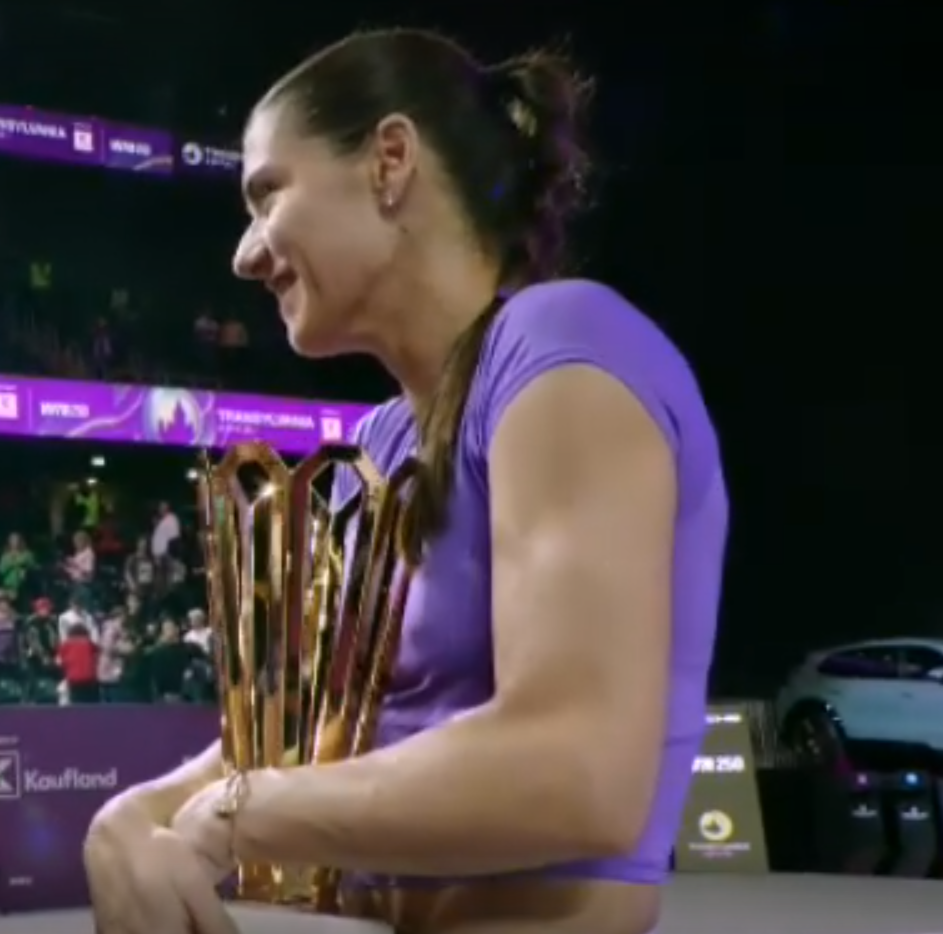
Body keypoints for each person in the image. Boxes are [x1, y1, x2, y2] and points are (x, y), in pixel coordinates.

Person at [85, 29, 722, 934]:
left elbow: (578, 770)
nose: (244, 255)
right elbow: (308, 742)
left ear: (389, 161)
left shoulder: (562, 343)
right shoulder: (375, 445)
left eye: (267, 196)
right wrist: (131, 818)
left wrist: (235, 812)